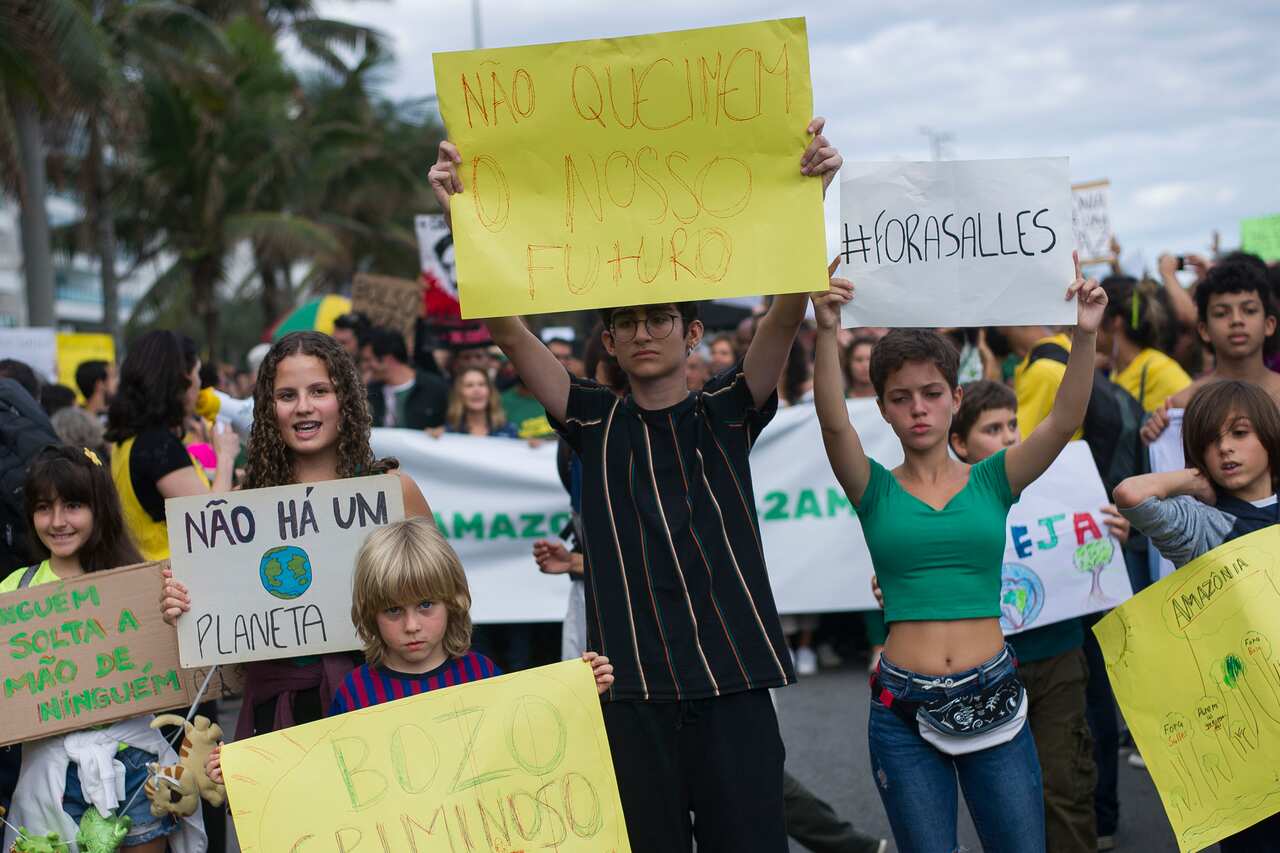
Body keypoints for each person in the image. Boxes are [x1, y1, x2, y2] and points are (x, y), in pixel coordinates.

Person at [430, 115, 842, 851]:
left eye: (661, 317)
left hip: (734, 683)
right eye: (627, 321)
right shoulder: (591, 418)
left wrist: (806, 197)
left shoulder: (728, 409)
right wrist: (461, 212)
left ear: (692, 333)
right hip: (629, 692)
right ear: (610, 342)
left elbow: (785, 309)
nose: (645, 331)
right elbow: (507, 329)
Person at [811, 253, 1105, 852]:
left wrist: (1085, 333)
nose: (917, 408)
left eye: (931, 393)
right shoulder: (873, 487)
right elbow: (832, 422)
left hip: (996, 697)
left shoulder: (995, 478)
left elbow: (1064, 418)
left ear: (955, 397)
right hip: (899, 710)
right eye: (900, 397)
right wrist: (824, 332)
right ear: (882, 406)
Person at [161, 331, 433, 738]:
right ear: (269, 409)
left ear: (345, 400)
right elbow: (216, 616)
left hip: (385, 703)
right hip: (278, 715)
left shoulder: (394, 491)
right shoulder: (239, 511)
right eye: (287, 395)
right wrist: (181, 602)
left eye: (319, 391)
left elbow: (443, 595)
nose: (304, 407)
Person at [205, 518, 615, 779]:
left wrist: (578, 694)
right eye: (393, 611)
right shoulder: (355, 690)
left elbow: (526, 741)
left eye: (425, 605)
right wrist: (244, 769)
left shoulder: (481, 675)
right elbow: (324, 771)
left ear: (452, 601)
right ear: (369, 613)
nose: (412, 625)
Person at [1, 446, 204, 852]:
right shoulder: (12, 595)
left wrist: (178, 613)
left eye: (73, 505)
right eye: (44, 508)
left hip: (135, 766)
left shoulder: (143, 582)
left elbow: (186, 656)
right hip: (50, 773)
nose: (58, 522)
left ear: (99, 509)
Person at [948, 379, 1123, 853]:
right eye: (991, 428)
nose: (1008, 437)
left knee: (1066, 783)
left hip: (1060, 655)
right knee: (1005, 793)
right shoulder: (946, 500)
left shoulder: (1062, 485)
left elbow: (1089, 550)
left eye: (1012, 425)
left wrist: (1109, 536)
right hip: (986, 667)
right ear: (959, 444)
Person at [1114, 379, 1280, 851]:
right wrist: (1190, 480)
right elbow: (1131, 495)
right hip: (1248, 727)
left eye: (1240, 433)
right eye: (1210, 441)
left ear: (1270, 435)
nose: (1225, 448)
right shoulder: (1204, 525)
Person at [105, 330, 239, 561]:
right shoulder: (158, 446)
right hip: (176, 578)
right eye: (197, 374)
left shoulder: (130, 440)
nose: (200, 385)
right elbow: (210, 522)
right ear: (180, 381)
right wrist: (225, 456)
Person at [1142, 258, 1280, 443]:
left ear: (1269, 324)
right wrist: (1155, 437)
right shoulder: (1184, 404)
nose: (1237, 320)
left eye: (1249, 310)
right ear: (1204, 330)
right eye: (1222, 313)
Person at [1096, 275, 1191, 412]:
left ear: (1115, 321)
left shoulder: (1158, 367)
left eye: (1096, 311)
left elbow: (1200, 413)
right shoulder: (1116, 371)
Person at [361, 327, 449, 429]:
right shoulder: (370, 392)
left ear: (387, 359)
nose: (364, 366)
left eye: (368, 360)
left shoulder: (434, 388)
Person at [433, 366, 517, 437]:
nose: (477, 390)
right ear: (459, 394)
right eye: (469, 385)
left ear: (490, 392)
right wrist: (430, 440)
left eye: (482, 384)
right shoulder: (447, 434)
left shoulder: (509, 431)